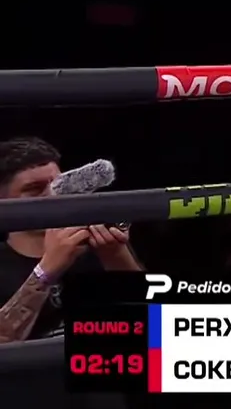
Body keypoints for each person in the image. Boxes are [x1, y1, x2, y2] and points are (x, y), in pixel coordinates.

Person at [0, 137, 143, 344]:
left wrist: (115, 255)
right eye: (34, 189)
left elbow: (157, 325)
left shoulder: (97, 244)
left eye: (58, 185)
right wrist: (46, 271)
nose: (51, 196)